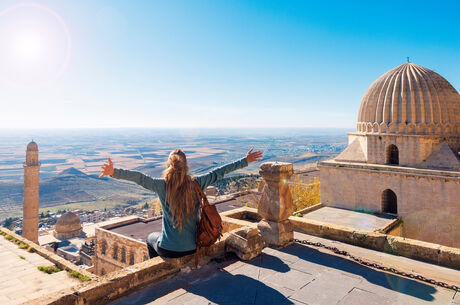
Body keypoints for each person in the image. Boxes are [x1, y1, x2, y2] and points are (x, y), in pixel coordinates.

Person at [99, 148, 263, 259]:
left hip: (168, 250)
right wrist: (245, 161)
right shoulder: (197, 183)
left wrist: (114, 172)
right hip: (193, 247)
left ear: (169, 165)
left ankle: (158, 269)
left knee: (150, 238)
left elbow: (140, 178)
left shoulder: (161, 185)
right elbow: (220, 172)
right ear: (186, 166)